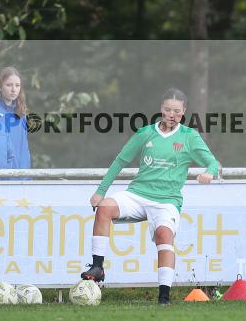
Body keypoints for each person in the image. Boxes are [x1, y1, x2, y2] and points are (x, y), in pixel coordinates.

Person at [82, 88, 219, 305]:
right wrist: (101, 192)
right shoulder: (145, 133)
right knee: (105, 208)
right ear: (161, 109)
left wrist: (209, 172)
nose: (172, 115)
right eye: (168, 110)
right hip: (137, 194)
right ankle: (97, 267)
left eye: (177, 111)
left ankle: (164, 296)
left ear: (184, 111)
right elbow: (120, 161)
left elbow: (213, 162)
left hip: (167, 201)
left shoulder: (189, 137)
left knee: (164, 235)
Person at [0, 67, 30, 168]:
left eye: (17, 85)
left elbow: (24, 146)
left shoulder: (21, 112)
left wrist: (25, 171)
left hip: (21, 169)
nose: (14, 89)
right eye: (9, 85)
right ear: (0, 86)